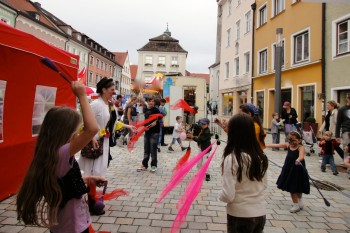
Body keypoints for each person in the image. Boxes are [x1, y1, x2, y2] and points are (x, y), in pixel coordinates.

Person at [16, 81, 106, 232]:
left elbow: (62, 181)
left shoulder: (51, 153)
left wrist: (88, 179)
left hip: (66, 224)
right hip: (72, 227)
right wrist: (82, 96)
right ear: (66, 132)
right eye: (76, 131)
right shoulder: (62, 153)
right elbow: (92, 129)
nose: (78, 134)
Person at [219, 113, 268, 233]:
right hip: (259, 213)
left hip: (239, 215)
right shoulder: (260, 156)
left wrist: (220, 196)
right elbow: (264, 184)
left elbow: (228, 195)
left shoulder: (233, 158)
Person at [78, 78, 135, 176]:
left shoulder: (109, 105)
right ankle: (89, 190)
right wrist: (91, 138)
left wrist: (128, 126)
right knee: (90, 170)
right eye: (112, 90)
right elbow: (83, 124)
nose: (114, 92)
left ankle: (93, 189)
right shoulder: (95, 104)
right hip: (93, 142)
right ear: (104, 90)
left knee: (99, 169)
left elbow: (113, 123)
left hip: (103, 142)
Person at [267, 131, 310, 213]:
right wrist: (266, 145)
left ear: (299, 140)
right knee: (292, 187)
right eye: (289, 140)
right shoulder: (288, 145)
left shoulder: (300, 147)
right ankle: (295, 204)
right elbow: (277, 145)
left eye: (293, 140)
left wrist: (298, 159)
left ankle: (300, 201)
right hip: (289, 169)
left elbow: (301, 156)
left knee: (299, 186)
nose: (291, 142)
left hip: (298, 169)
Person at [137, 97, 161, 173]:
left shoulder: (156, 110)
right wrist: (144, 127)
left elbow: (155, 122)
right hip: (147, 132)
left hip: (154, 132)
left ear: (154, 103)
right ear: (148, 102)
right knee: (146, 150)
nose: (151, 102)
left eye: (153, 101)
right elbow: (146, 121)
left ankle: (154, 165)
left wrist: (147, 127)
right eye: (150, 101)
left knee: (153, 150)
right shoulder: (146, 110)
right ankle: (144, 164)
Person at [336, 95, 350, 178]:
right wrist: (337, 135)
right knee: (347, 150)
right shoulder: (342, 109)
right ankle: (349, 170)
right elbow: (338, 123)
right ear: (347, 99)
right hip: (346, 131)